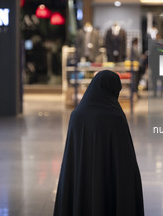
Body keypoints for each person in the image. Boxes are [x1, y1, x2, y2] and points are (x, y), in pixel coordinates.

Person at [54, 70, 144, 216]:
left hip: (81, 183)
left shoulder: (76, 116)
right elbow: (125, 162)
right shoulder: (116, 117)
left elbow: (71, 159)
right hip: (108, 183)